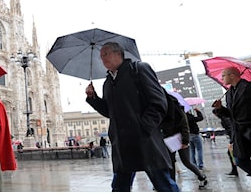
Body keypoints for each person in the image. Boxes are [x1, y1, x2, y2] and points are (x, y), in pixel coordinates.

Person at [85, 42, 179, 192]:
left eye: (105, 54)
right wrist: (93, 98)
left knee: (163, 184)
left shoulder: (139, 70)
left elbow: (158, 103)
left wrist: (143, 127)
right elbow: (110, 112)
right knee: (119, 187)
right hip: (122, 144)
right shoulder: (108, 83)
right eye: (101, 56)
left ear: (118, 53)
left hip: (145, 140)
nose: (102, 59)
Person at [164, 104, 208, 189]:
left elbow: (185, 126)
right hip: (169, 140)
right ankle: (172, 184)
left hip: (180, 139)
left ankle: (201, 176)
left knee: (186, 161)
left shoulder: (178, 109)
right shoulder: (164, 110)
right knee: (171, 162)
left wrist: (185, 141)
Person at [212, 107, 238, 176]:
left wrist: (232, 141)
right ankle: (235, 169)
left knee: (231, 154)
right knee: (232, 154)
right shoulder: (224, 118)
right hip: (233, 137)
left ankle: (235, 169)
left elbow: (231, 128)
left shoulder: (224, 118)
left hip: (234, 138)